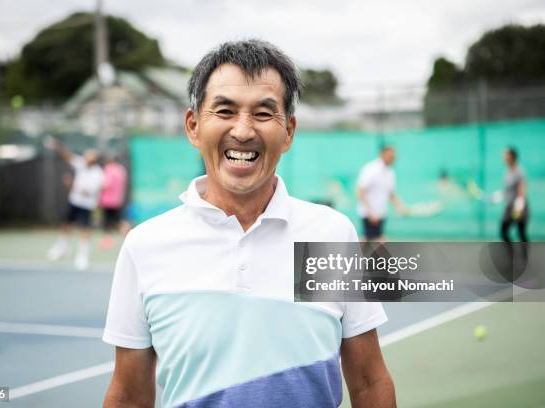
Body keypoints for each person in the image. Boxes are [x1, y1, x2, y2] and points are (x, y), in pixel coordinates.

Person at [103, 40, 395, 408]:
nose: (242, 130)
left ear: (288, 131)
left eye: (262, 113)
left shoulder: (332, 235)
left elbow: (369, 382)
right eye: (224, 110)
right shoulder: (144, 245)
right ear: (193, 126)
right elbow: (128, 397)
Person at [46, 138, 104, 270]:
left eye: (89, 156)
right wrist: (57, 145)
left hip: (87, 205)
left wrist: (71, 185)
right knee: (66, 225)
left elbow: (88, 192)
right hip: (74, 202)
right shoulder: (81, 164)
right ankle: (62, 248)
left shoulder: (98, 174)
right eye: (86, 155)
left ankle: (82, 256)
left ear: (94, 159)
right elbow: (68, 155)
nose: (86, 157)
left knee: (85, 230)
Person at [356, 146, 406, 242]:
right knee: (371, 240)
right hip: (368, 214)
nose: (393, 158)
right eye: (390, 156)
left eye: (394, 156)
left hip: (381, 213)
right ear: (382, 155)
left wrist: (399, 206)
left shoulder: (390, 172)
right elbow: (360, 191)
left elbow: (390, 193)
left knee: (376, 240)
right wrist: (370, 212)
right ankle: (354, 256)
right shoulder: (370, 169)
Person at [99, 153, 128, 250]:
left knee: (107, 223)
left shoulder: (108, 169)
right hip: (118, 200)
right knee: (120, 221)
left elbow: (106, 184)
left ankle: (107, 242)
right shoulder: (121, 170)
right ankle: (127, 237)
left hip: (107, 201)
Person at [501, 147, 528, 242]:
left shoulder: (519, 171)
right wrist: (496, 197)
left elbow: (522, 190)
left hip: (518, 207)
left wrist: (519, 207)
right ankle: (510, 255)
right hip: (509, 207)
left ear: (512, 157)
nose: (503, 157)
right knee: (504, 231)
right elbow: (507, 190)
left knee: (521, 233)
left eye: (506, 154)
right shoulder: (507, 172)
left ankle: (525, 256)